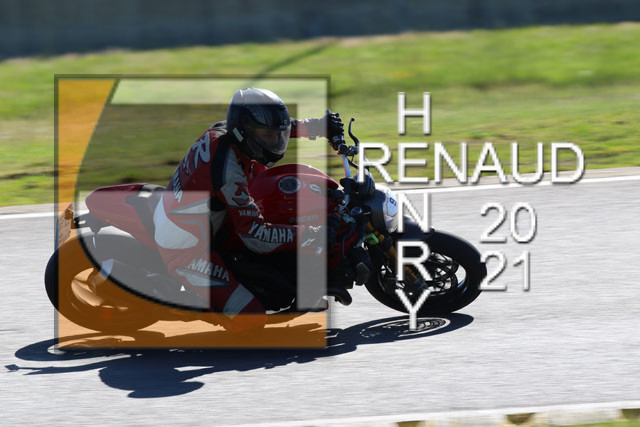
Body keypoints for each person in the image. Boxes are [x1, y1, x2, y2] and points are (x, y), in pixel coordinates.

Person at [152, 88, 343, 333]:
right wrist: (313, 234)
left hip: (206, 215)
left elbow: (278, 127)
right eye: (267, 136)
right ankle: (184, 302)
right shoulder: (229, 173)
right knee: (250, 320)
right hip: (186, 246)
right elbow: (256, 237)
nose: (275, 142)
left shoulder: (229, 130)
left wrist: (317, 126)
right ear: (244, 130)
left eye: (276, 135)